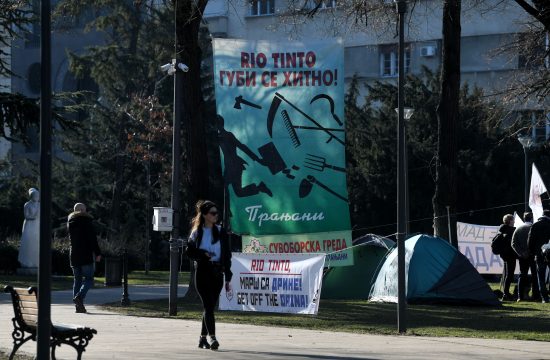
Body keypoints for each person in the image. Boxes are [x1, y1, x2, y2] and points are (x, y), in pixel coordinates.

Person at [185, 200, 232, 351]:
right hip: (203, 271)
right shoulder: (197, 232)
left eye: (216, 213)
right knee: (208, 306)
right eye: (212, 213)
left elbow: (227, 255)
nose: (215, 215)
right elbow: (189, 251)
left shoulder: (221, 231)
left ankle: (202, 339)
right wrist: (202, 254)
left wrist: (228, 275)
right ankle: (213, 337)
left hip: (217, 272)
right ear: (205, 215)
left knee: (210, 307)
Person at [68, 203, 102, 313]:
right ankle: (79, 296)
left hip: (74, 255)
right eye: (85, 210)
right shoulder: (87, 222)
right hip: (86, 255)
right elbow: (92, 240)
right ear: (82, 210)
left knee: (77, 280)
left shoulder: (70, 223)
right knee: (89, 279)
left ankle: (78, 307)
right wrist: (98, 253)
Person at [511, 212, 540, 301]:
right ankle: (536, 296)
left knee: (522, 275)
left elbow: (513, 243)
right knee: (535, 276)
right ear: (531, 218)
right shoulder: (534, 228)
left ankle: (520, 296)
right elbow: (537, 242)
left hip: (522, 257)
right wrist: (530, 252)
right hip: (533, 255)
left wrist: (521, 253)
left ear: (524, 218)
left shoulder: (518, 229)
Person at [527, 209, 550, 303]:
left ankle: (544, 298)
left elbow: (530, 241)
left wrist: (533, 252)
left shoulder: (535, 225)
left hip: (539, 254)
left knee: (540, 276)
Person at [18, 188, 40, 269]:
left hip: (37, 226)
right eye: (35, 195)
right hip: (29, 226)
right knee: (28, 243)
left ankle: (36, 263)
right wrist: (34, 217)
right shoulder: (27, 204)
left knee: (36, 243)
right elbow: (26, 216)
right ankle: (27, 263)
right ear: (31, 196)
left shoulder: (40, 205)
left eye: (37, 196)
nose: (36, 197)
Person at [498, 214, 517, 301]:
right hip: (510, 254)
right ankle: (506, 293)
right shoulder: (511, 230)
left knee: (507, 274)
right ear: (510, 221)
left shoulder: (502, 229)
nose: (514, 222)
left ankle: (505, 292)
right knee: (509, 274)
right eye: (513, 220)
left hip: (504, 255)